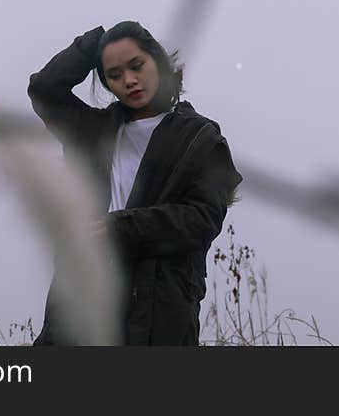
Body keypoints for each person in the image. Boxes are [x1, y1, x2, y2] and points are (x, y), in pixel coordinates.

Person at [27, 21, 243, 345]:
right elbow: (45, 90)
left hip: (159, 316)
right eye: (114, 75)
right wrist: (92, 44)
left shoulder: (199, 137)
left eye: (136, 65)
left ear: (156, 60)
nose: (129, 80)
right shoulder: (93, 131)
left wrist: (124, 227)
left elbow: (203, 218)